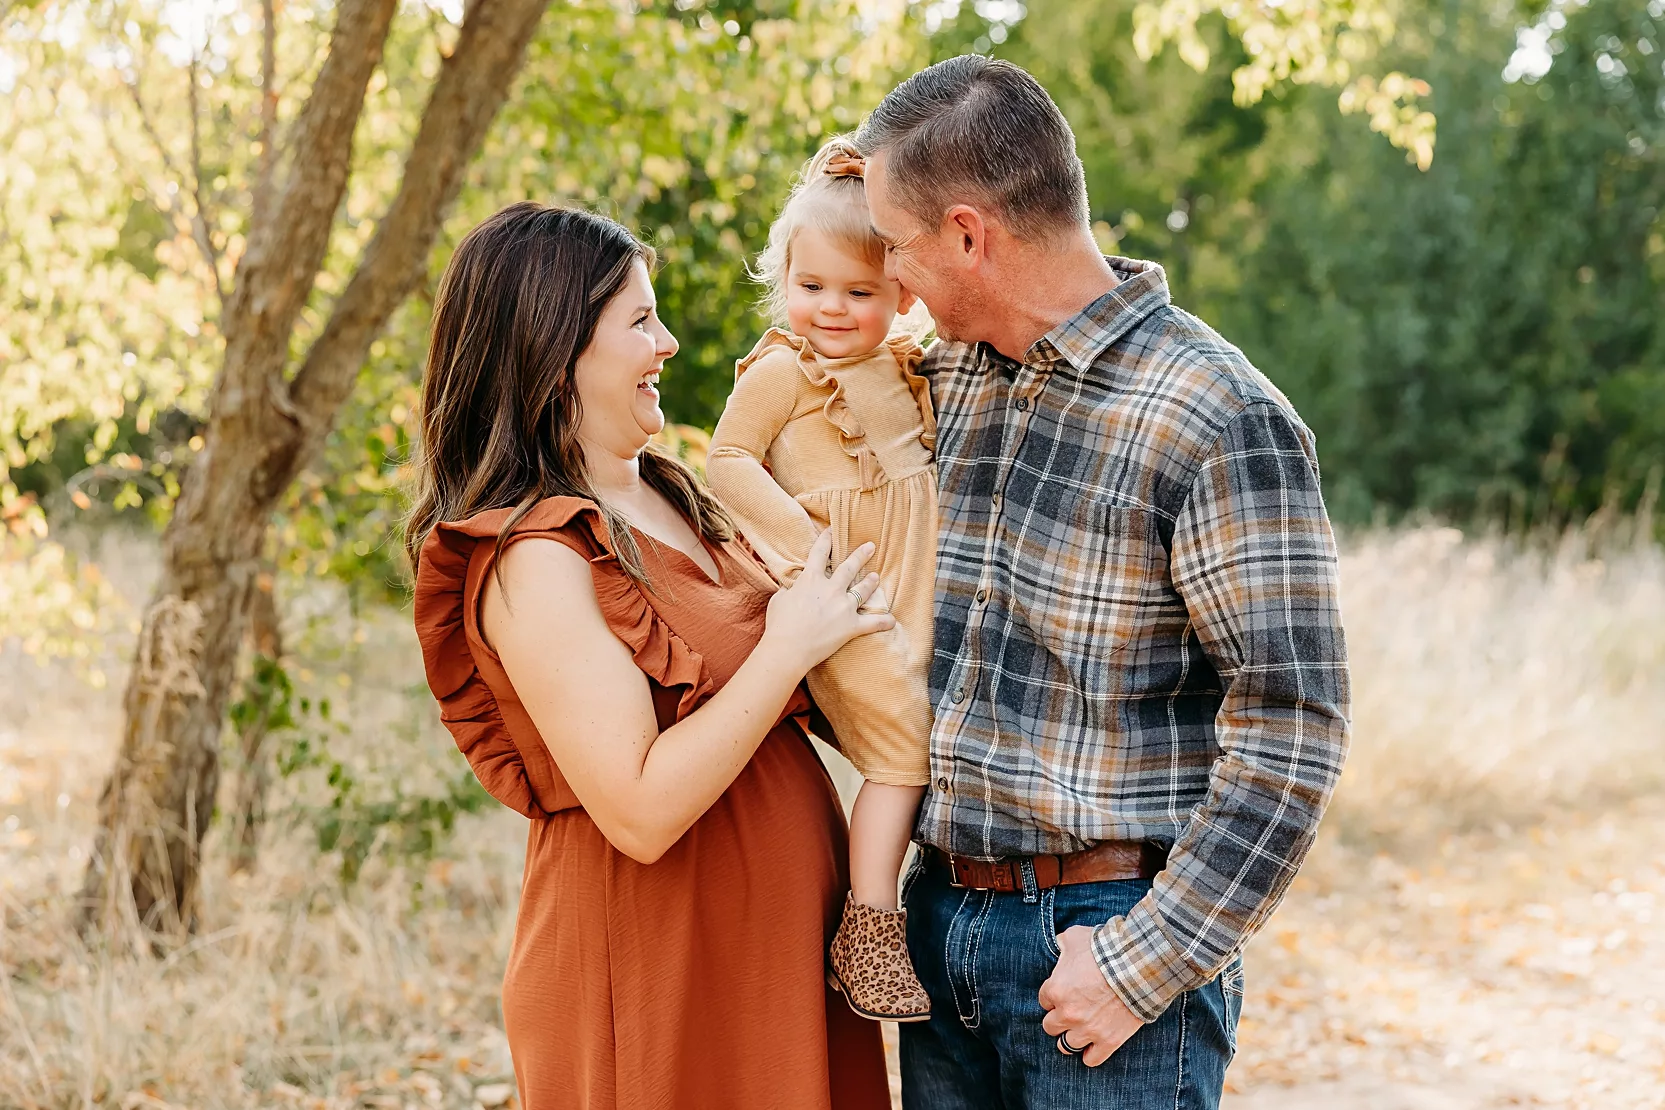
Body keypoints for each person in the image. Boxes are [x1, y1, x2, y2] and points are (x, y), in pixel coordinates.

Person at [854, 56, 1353, 1108]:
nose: (891, 280)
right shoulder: (944, 378)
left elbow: (1293, 726)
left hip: (1105, 945)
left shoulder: (1216, 415)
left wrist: (1143, 963)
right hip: (941, 922)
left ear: (966, 235)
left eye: (897, 247)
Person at [406, 202, 893, 1110]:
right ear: (555, 354)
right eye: (639, 321)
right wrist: (786, 647)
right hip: (660, 962)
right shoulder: (537, 556)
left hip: (774, 949)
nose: (666, 343)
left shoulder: (680, 494)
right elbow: (636, 809)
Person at [706, 136, 937, 1022]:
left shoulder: (904, 367)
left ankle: (908, 904)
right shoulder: (780, 370)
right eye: (811, 288)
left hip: (913, 582)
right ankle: (868, 922)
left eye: (859, 292)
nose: (831, 310)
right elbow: (726, 460)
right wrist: (807, 550)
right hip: (840, 589)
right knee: (901, 747)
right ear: (783, 278)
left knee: (925, 733)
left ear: (901, 296)